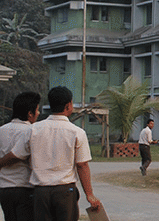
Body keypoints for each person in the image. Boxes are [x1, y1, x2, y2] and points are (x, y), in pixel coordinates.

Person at [29, 86, 100, 220]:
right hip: (65, 191)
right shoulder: (77, 132)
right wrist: (89, 194)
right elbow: (82, 165)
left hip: (40, 191)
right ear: (68, 106)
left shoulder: (33, 130)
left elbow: (20, 155)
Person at [0, 91, 41, 221]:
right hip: (25, 188)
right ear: (30, 113)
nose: (39, 113)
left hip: (4, 189)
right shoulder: (32, 132)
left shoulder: (2, 130)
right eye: (37, 109)